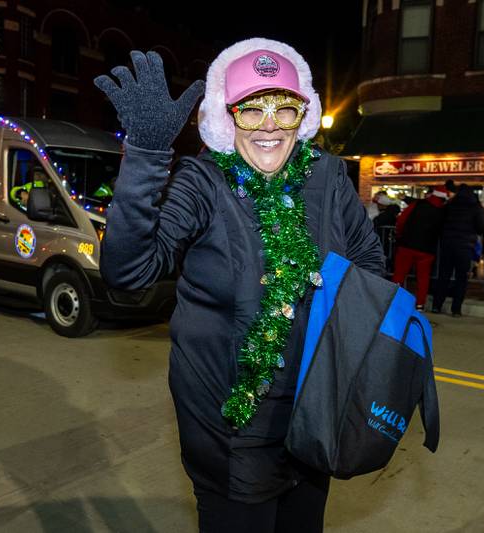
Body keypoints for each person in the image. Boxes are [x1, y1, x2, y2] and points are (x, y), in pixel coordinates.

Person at [94, 40, 385, 533]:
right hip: (231, 423)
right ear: (228, 120)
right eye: (252, 110)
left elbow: (369, 265)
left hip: (314, 413)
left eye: (284, 108)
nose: (269, 124)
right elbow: (128, 275)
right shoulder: (202, 182)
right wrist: (144, 156)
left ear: (303, 115)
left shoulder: (328, 178)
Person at [431, 184, 484, 316]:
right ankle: (456, 309)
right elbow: (481, 227)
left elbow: (439, 223)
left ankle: (436, 306)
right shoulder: (475, 207)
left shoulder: (449, 205)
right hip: (465, 246)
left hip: (448, 244)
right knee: (461, 278)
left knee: (444, 276)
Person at [392, 185, 448, 309]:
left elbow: (402, 219)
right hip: (427, 249)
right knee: (423, 277)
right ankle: (420, 303)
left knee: (399, 274)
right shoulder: (443, 211)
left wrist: (400, 234)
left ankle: (394, 300)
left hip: (407, 244)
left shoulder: (418, 204)